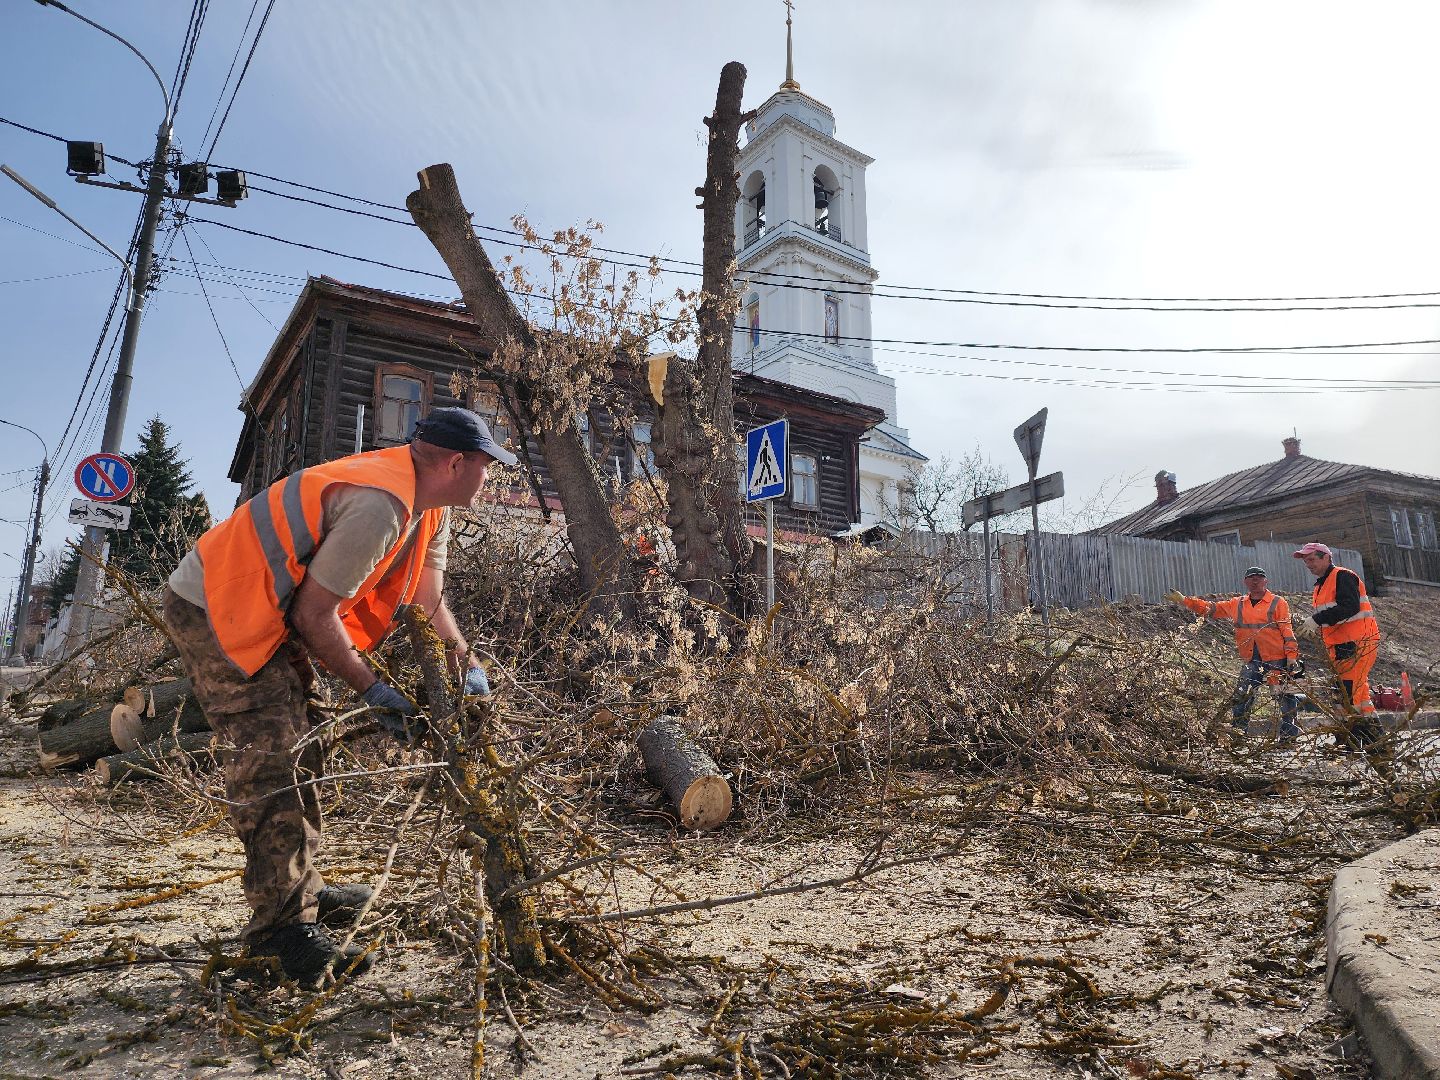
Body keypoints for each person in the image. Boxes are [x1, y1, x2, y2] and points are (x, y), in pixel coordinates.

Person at [162, 407, 516, 985]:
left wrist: (467, 665)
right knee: (273, 756)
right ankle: (277, 937)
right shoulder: (380, 505)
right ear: (457, 462)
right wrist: (374, 690)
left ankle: (304, 889)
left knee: (310, 740)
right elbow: (313, 613)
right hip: (219, 607)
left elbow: (426, 602)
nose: (490, 478)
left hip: (272, 607)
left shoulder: (427, 508)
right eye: (486, 466)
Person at [1165, 567, 1301, 740]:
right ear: (1245, 582)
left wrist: (1291, 656)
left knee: (1285, 697)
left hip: (1277, 658)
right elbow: (1210, 609)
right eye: (1251, 578)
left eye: (1259, 577)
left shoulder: (1277, 602)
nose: (1255, 580)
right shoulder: (1238, 603)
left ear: (1266, 581)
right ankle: (1238, 736)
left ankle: (1289, 737)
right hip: (1252, 659)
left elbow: (1286, 629)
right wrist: (1185, 601)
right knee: (1242, 696)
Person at [1291, 541, 1382, 750]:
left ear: (1326, 557)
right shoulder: (1320, 585)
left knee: (1349, 693)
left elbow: (1350, 607)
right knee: (1349, 694)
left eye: (1311, 559)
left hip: (1358, 641)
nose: (1308, 564)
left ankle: (1356, 743)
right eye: (1305, 561)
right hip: (1341, 644)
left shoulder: (1343, 576)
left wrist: (1317, 619)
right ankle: (1368, 742)